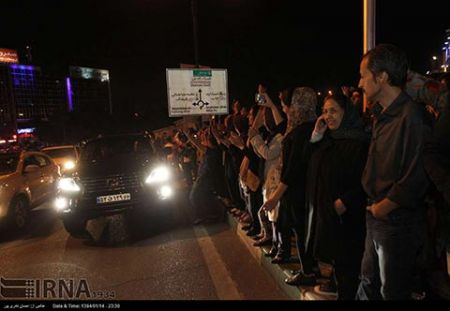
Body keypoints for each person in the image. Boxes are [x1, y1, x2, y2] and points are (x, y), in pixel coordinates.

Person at [356, 44, 430, 300]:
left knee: (392, 291)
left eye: (364, 75)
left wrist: (385, 206)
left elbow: (417, 174)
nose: (360, 83)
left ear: (383, 77)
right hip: (376, 214)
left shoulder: (412, 117)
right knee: (367, 284)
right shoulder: (382, 115)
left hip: (397, 221)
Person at [306, 94, 369, 299]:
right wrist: (316, 135)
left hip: (349, 217)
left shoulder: (358, 142)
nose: (328, 116)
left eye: (333, 111)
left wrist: (345, 201)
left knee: (349, 271)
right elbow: (311, 165)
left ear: (346, 112)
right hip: (332, 215)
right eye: (324, 111)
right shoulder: (329, 140)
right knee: (341, 270)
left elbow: (365, 180)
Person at [263, 87, 317, 274]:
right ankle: (311, 268)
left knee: (301, 231)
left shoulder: (300, 132)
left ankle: (308, 271)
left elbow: (292, 169)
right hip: (305, 189)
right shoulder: (310, 127)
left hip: (296, 191)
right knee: (303, 230)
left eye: (290, 103)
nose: (287, 108)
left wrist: (275, 198)